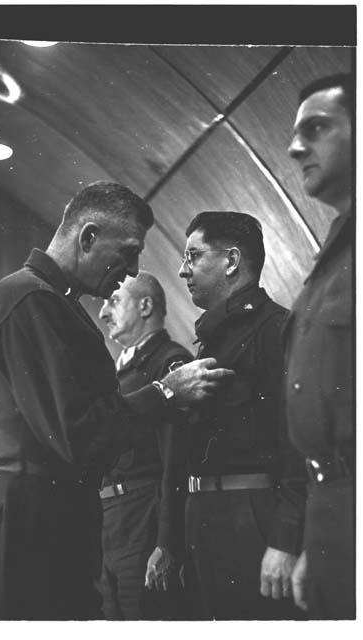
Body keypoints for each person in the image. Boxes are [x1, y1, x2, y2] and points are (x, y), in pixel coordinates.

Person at [0, 181, 231, 620]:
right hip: (24, 522)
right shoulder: (30, 300)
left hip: (41, 515)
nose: (131, 268)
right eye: (128, 251)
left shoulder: (49, 303)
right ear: (87, 237)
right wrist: (165, 391)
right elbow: (78, 434)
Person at [178, 210, 306, 620]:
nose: (183, 270)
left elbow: (299, 440)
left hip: (252, 516)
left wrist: (286, 540)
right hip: (208, 515)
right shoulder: (213, 335)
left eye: (193, 256)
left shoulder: (275, 329)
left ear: (231, 261)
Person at [286, 73, 354, 619]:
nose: (293, 147)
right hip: (330, 509)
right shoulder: (334, 255)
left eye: (316, 128)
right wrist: (314, 541)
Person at [98, 272, 192, 619]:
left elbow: (174, 460)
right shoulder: (120, 368)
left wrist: (166, 542)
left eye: (114, 301)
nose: (103, 312)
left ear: (146, 305)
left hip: (144, 522)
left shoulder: (169, 363)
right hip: (113, 523)